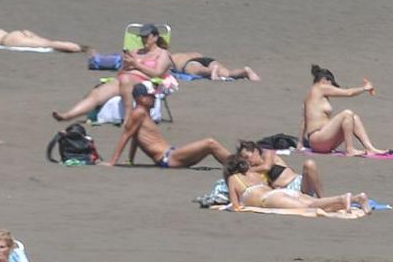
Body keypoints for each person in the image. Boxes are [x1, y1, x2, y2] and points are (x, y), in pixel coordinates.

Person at [51, 24, 174, 123]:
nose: (143, 40)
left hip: (146, 82)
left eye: (146, 37)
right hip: (124, 80)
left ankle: (128, 117)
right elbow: (121, 70)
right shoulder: (135, 51)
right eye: (142, 37)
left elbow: (157, 73)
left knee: (125, 79)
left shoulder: (162, 54)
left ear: (155, 37)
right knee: (97, 93)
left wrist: (136, 65)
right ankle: (68, 115)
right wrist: (126, 65)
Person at [104, 83, 235, 168]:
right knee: (210, 143)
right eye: (151, 96)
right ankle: (238, 166)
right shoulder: (138, 113)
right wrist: (112, 162)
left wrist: (130, 160)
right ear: (140, 98)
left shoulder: (144, 113)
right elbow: (126, 135)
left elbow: (134, 137)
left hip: (171, 154)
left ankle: (236, 165)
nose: (154, 98)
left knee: (209, 147)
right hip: (169, 159)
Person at [225, 155, 368, 214]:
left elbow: (236, 205)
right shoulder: (256, 174)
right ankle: (357, 198)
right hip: (281, 192)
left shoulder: (233, 178)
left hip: (269, 198)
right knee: (317, 204)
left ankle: (342, 199)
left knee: (308, 208)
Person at [303, 65, 388, 156]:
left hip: (322, 141)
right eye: (331, 84)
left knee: (354, 118)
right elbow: (348, 93)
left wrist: (300, 144)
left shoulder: (311, 96)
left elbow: (304, 120)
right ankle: (349, 149)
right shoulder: (321, 87)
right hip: (318, 139)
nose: (332, 87)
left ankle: (370, 148)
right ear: (324, 80)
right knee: (347, 114)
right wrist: (365, 88)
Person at [234, 140, 322, 198]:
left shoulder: (268, 154)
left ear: (256, 151)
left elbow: (267, 167)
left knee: (309, 164)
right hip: (285, 193)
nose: (247, 161)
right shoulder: (255, 171)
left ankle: (321, 197)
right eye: (244, 160)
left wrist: (248, 170)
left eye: (247, 157)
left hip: (300, 184)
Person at [0, 26, 89, 54]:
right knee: (46, 42)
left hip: (9, 40)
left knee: (49, 44)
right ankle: (76, 48)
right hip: (15, 32)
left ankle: (80, 48)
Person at [170, 50, 259, 81]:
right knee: (227, 73)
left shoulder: (172, 57)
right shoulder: (193, 53)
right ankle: (245, 71)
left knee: (199, 71)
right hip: (208, 59)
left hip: (190, 63)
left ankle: (210, 71)